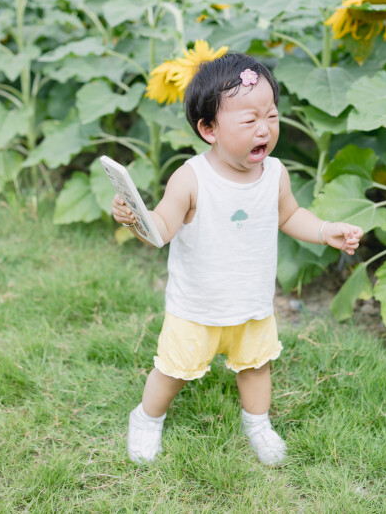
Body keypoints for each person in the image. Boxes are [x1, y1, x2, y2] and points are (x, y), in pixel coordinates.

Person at [112, 52, 363, 466]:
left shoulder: (275, 174)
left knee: (256, 367)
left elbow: (290, 215)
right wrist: (135, 219)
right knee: (174, 370)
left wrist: (324, 231)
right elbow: (162, 227)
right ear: (208, 129)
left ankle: (257, 425)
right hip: (197, 307)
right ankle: (146, 418)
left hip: (252, 303)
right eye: (249, 121)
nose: (264, 128)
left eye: (271, 116)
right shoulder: (191, 178)